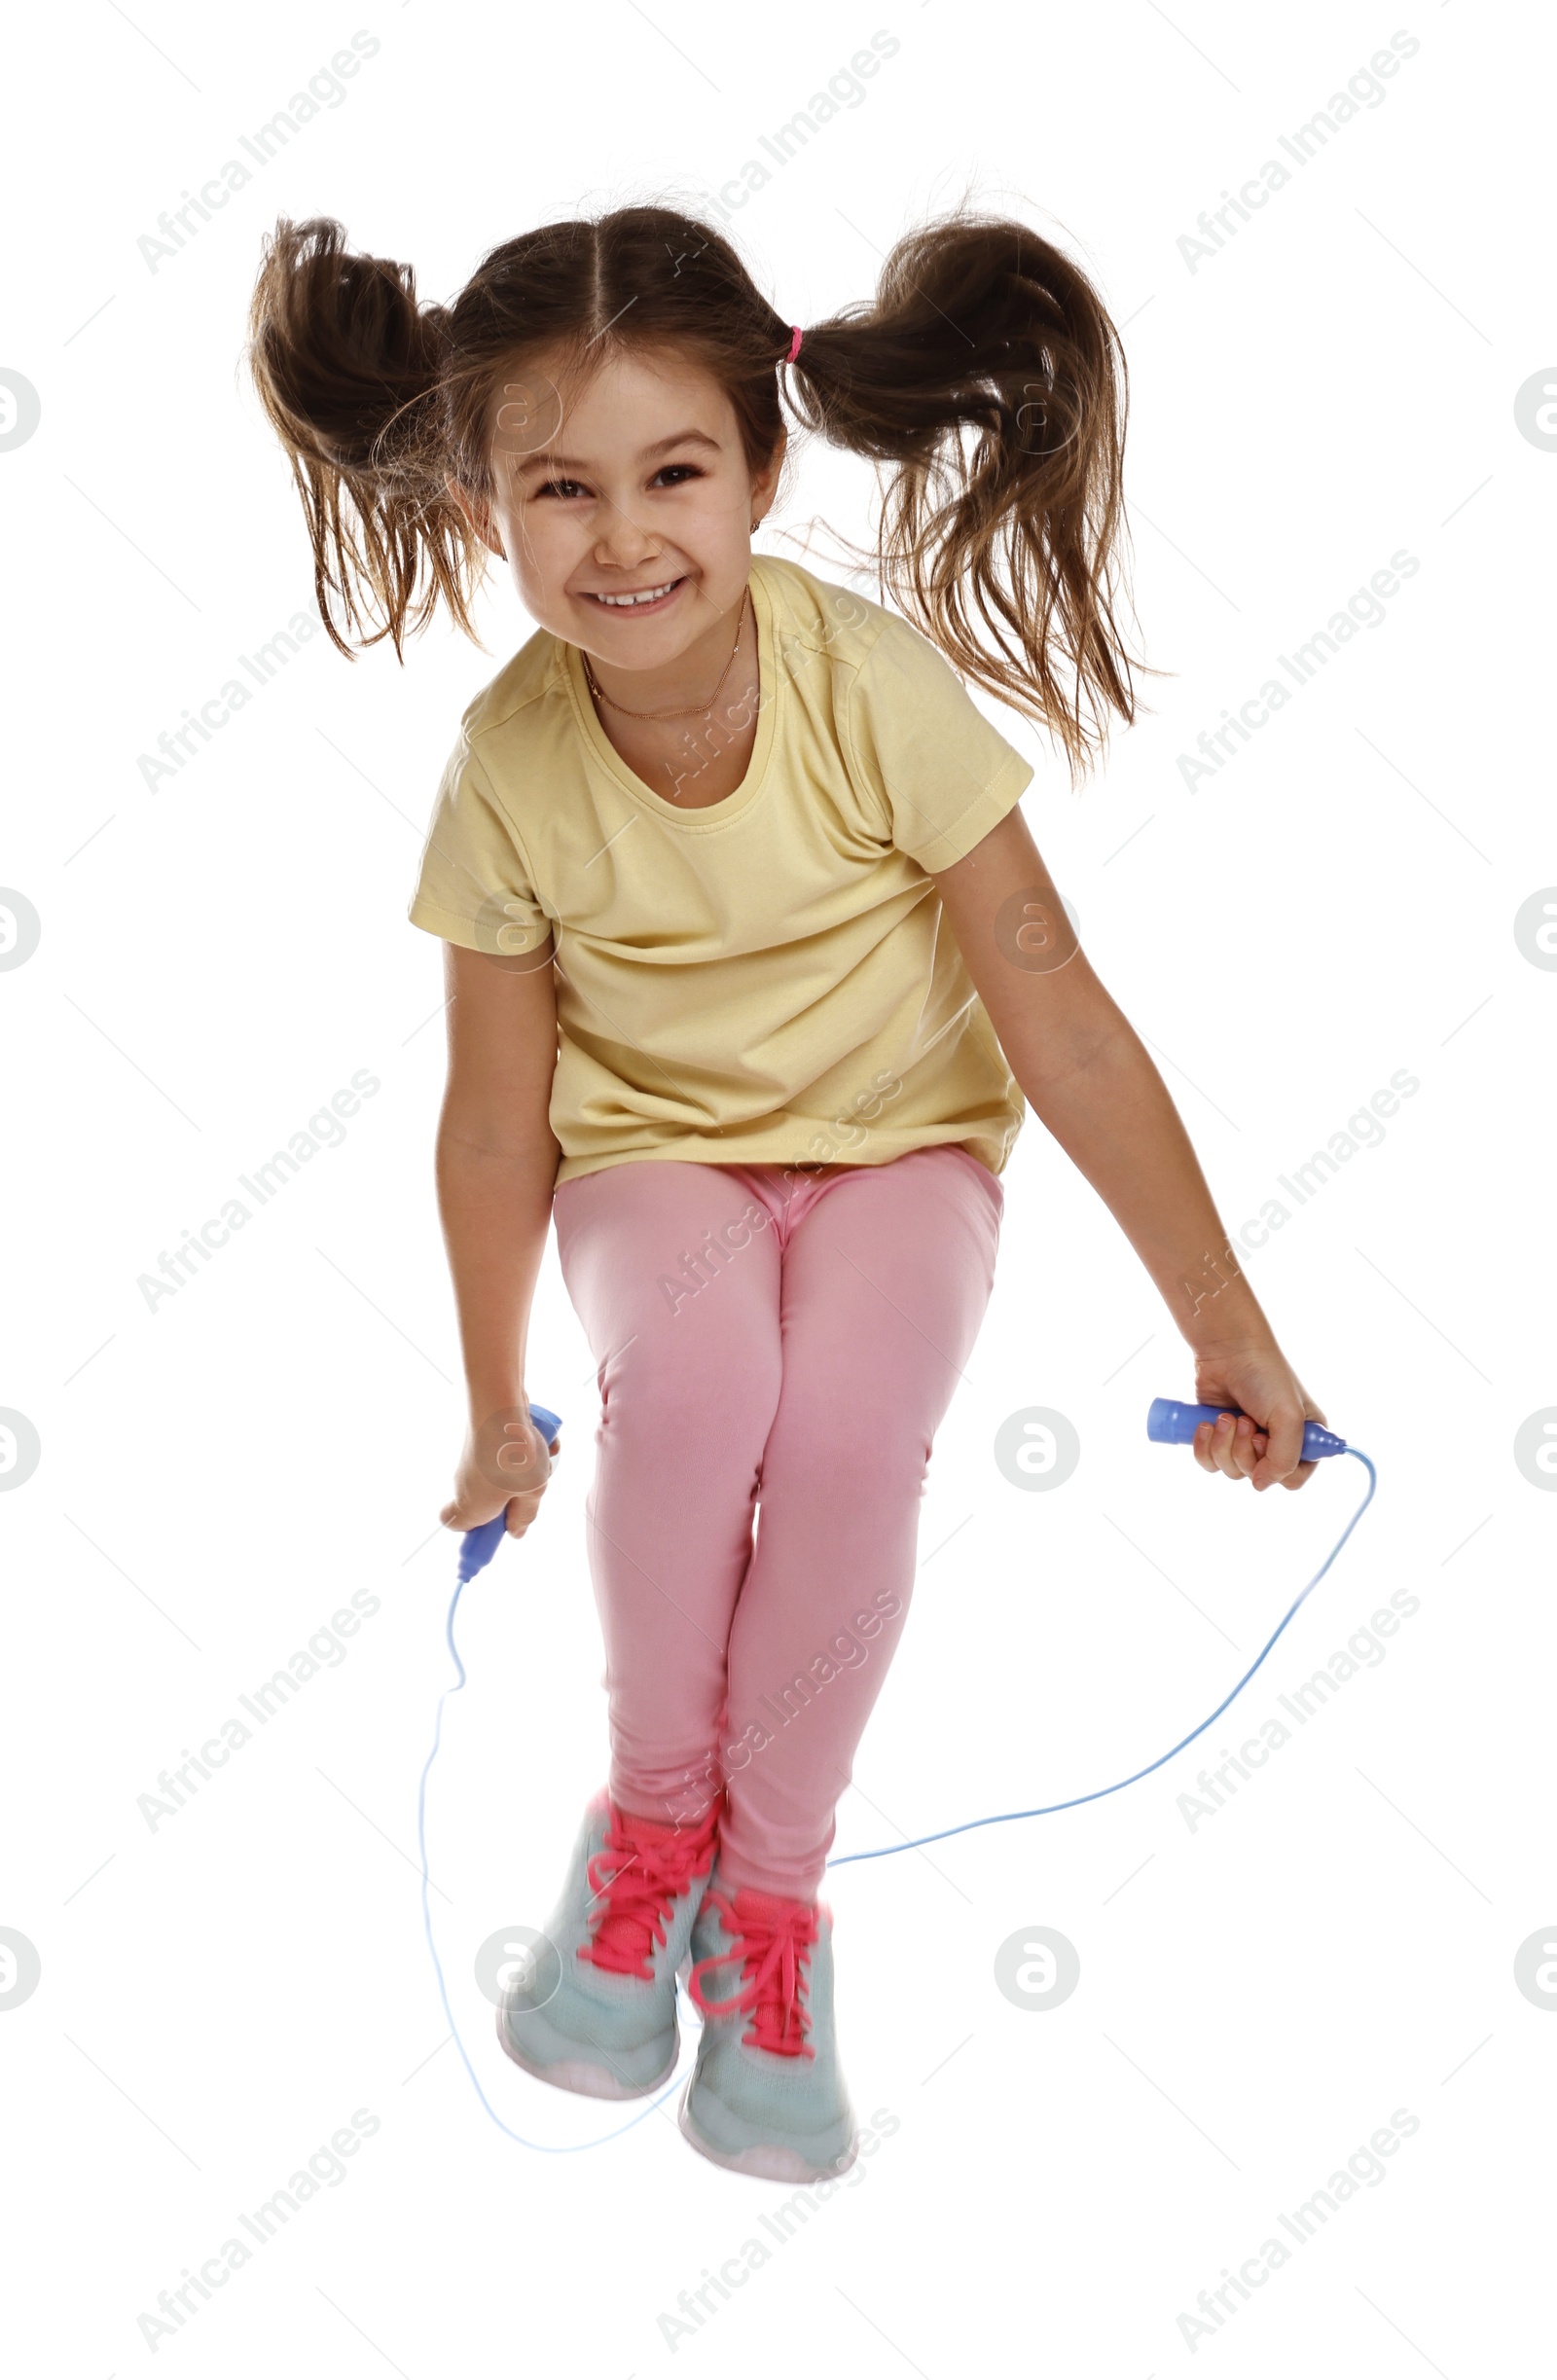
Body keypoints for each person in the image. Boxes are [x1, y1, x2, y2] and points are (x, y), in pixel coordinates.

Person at [247, 202, 1325, 2184]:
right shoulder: (508, 762)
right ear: (485, 503)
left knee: (841, 1428)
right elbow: (495, 1120)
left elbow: (1057, 1014)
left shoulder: (867, 689)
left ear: (760, 469)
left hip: (907, 1145)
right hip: (649, 1155)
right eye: (556, 488)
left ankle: (770, 1904)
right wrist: (496, 1400)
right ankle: (648, 1829)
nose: (621, 536)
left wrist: (1220, 1317)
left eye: (672, 472)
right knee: (702, 1381)